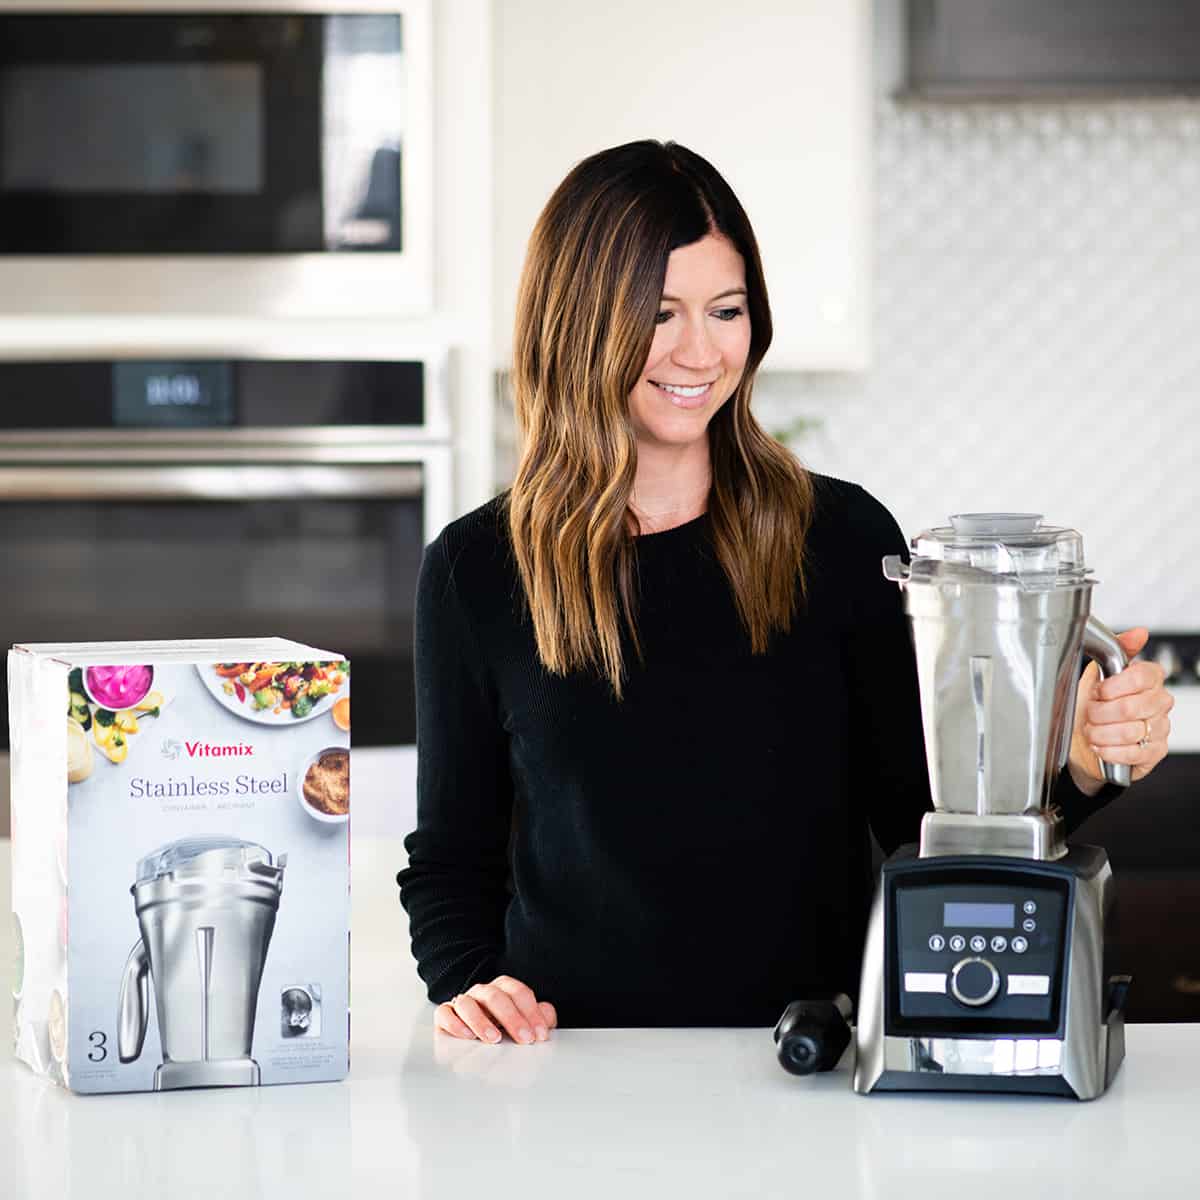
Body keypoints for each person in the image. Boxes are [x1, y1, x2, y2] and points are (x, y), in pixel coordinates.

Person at [397, 140, 1173, 1045]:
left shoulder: (840, 541)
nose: (700, 350)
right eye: (658, 313)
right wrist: (467, 982)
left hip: (811, 1054)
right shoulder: (477, 570)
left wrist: (1077, 762)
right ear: (578, 321)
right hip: (572, 1066)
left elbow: (929, 821)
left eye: (726, 310)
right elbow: (451, 857)